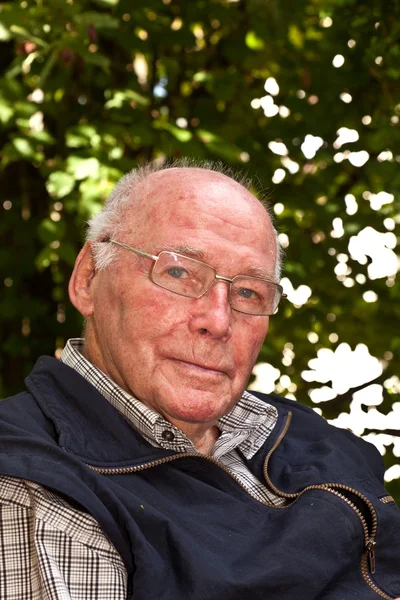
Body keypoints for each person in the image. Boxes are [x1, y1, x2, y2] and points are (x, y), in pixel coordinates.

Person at [0, 161, 399, 600]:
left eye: (248, 292)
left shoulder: (308, 435)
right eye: (179, 272)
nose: (218, 320)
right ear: (89, 278)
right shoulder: (36, 483)